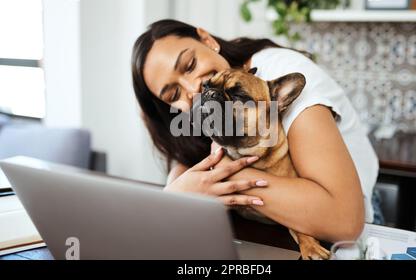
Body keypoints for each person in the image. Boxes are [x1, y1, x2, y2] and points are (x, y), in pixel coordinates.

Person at [132, 19, 381, 243]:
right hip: (273, 232)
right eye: (174, 94)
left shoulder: (278, 73)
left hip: (355, 232)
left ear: (207, 40)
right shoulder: (205, 107)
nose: (193, 88)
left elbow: (344, 221)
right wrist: (175, 190)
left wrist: (220, 177)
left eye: (190, 65)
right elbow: (186, 161)